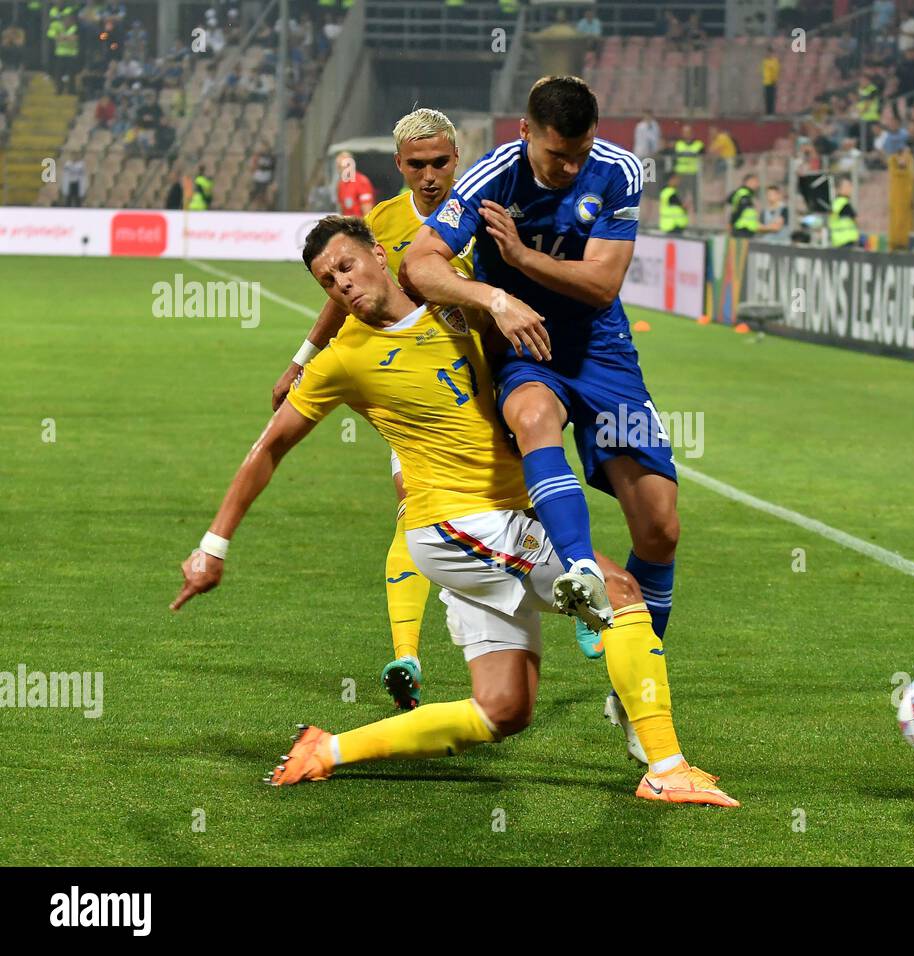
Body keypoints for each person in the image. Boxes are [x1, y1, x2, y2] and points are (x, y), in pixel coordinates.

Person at [170, 215, 738, 808]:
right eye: (326, 280)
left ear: (378, 255)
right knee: (618, 591)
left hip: (492, 522)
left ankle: (327, 750)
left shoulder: (454, 296)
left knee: (504, 711)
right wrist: (213, 548)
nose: (340, 284)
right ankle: (666, 769)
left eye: (346, 265)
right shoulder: (343, 360)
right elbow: (269, 449)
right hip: (461, 524)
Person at [400, 77, 680, 763]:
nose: (571, 169)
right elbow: (418, 263)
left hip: (605, 353)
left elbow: (603, 284)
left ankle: (633, 679)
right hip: (530, 349)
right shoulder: (494, 174)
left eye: (580, 153)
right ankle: (580, 568)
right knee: (529, 414)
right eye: (559, 157)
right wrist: (497, 298)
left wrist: (522, 258)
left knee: (660, 527)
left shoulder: (619, 170)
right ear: (527, 133)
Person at [269, 109, 469, 711]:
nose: (429, 176)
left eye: (439, 163)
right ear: (399, 166)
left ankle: (585, 590)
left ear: (456, 158)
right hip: (406, 384)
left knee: (521, 496)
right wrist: (303, 359)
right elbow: (342, 295)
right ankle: (405, 652)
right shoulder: (380, 222)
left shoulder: (485, 209)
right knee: (414, 503)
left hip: (482, 379)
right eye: (415, 165)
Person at [335, 150, 375, 217]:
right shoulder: (341, 184)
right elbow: (342, 209)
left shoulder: (362, 182)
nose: (340, 170)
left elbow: (367, 211)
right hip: (347, 225)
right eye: (339, 167)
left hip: (358, 225)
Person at [829, 175, 861, 248]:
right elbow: (856, 220)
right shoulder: (844, 203)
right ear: (841, 189)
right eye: (848, 186)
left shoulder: (835, 203)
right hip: (847, 240)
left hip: (837, 241)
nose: (851, 189)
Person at [762, 43, 780, 116]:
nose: (768, 54)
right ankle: (767, 113)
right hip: (766, 82)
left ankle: (771, 113)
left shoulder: (774, 61)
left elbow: (776, 71)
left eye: (769, 52)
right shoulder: (765, 61)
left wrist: (774, 80)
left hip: (772, 82)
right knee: (767, 98)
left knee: (771, 98)